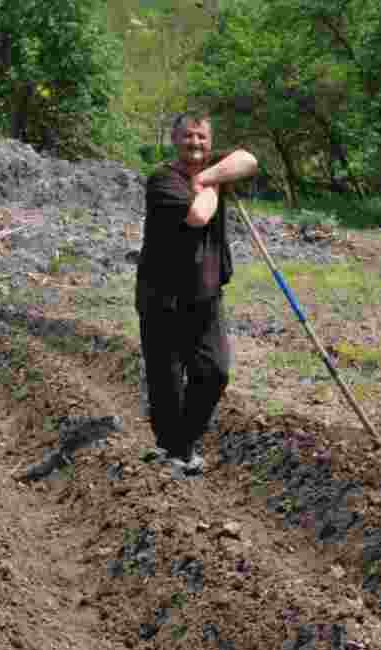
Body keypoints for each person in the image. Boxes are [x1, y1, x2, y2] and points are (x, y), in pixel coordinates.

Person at [136, 111, 258, 475]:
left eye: (202, 138)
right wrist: (216, 183)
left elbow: (248, 160)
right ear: (175, 140)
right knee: (167, 381)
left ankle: (180, 444)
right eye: (188, 137)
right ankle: (177, 451)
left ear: (210, 140)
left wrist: (207, 176)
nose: (195, 144)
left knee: (214, 371)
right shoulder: (163, 180)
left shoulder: (209, 169)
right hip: (163, 297)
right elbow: (199, 216)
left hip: (205, 294)